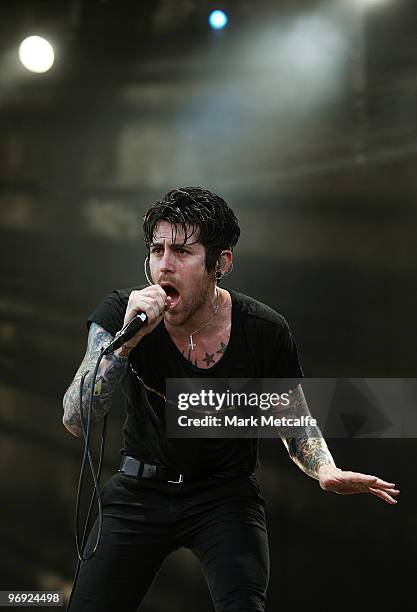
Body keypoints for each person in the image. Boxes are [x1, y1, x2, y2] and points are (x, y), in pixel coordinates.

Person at [63, 187, 399, 612]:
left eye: (182, 251)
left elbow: (291, 419)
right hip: (139, 490)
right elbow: (75, 417)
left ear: (220, 263)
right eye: (156, 249)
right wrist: (125, 344)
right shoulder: (122, 316)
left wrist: (325, 470)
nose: (164, 264)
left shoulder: (264, 330)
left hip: (223, 496)